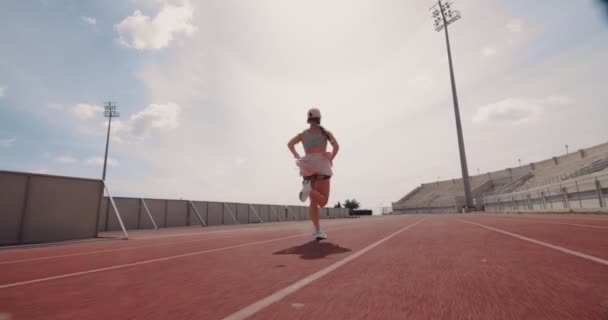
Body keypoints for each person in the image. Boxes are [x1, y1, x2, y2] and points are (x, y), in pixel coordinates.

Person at [287, 108, 339, 240]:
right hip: (321, 164)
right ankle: (309, 190)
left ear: (308, 119)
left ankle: (317, 230)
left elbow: (290, 144)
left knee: (313, 203)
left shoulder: (303, 134)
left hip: (307, 165)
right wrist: (330, 158)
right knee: (323, 201)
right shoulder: (326, 133)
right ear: (319, 119)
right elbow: (336, 147)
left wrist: (297, 155)